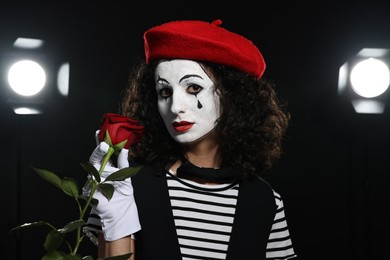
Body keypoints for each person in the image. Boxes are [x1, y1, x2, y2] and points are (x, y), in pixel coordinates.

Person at [84, 19, 298, 260]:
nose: (176, 107)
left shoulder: (265, 201)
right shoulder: (126, 189)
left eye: (194, 88)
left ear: (232, 95)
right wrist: (116, 221)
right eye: (165, 92)